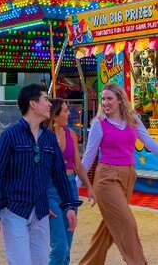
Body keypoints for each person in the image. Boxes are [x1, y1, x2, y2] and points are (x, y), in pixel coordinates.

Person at [78, 82, 158, 265]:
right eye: (103, 99)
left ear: (120, 100)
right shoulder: (99, 124)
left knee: (108, 228)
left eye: (109, 98)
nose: (105, 102)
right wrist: (77, 183)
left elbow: (149, 142)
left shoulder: (133, 120)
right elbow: (88, 156)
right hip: (106, 178)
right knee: (127, 222)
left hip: (128, 175)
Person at [0, 84, 80, 265]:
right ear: (33, 104)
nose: (50, 104)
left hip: (41, 212)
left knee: (40, 261)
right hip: (14, 211)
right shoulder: (9, 136)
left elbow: (59, 174)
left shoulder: (49, 138)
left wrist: (68, 205)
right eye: (45, 99)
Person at [48, 98, 96, 265]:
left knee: (67, 245)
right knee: (59, 246)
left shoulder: (71, 134)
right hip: (50, 190)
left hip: (69, 188)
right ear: (55, 115)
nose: (69, 113)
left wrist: (89, 186)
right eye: (65, 111)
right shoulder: (44, 136)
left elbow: (78, 164)